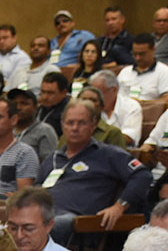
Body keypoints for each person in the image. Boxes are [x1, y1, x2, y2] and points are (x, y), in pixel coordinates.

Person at [36, 100, 151, 243]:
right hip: (41, 215)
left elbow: (143, 175)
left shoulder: (108, 154)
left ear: (94, 125)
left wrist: (119, 206)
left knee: (45, 226)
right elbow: (36, 187)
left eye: (82, 123)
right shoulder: (53, 158)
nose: (75, 128)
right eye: (70, 123)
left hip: (79, 225)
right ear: (62, 125)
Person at [90, 69, 143, 145]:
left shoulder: (131, 107)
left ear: (114, 90)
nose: (95, 97)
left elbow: (129, 138)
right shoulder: (90, 107)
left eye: (99, 93)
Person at [118, 34, 168, 103]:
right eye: (135, 54)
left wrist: (143, 103)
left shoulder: (164, 71)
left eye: (142, 54)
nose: (138, 58)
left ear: (153, 50)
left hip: (149, 110)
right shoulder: (125, 71)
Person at [9, 88, 59, 160]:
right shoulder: (7, 129)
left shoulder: (44, 130)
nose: (18, 107)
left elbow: (48, 163)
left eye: (24, 103)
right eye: (14, 104)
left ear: (36, 107)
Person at [36, 73, 71, 138]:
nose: (45, 97)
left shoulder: (69, 112)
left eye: (50, 93)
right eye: (43, 92)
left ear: (64, 93)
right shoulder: (39, 107)